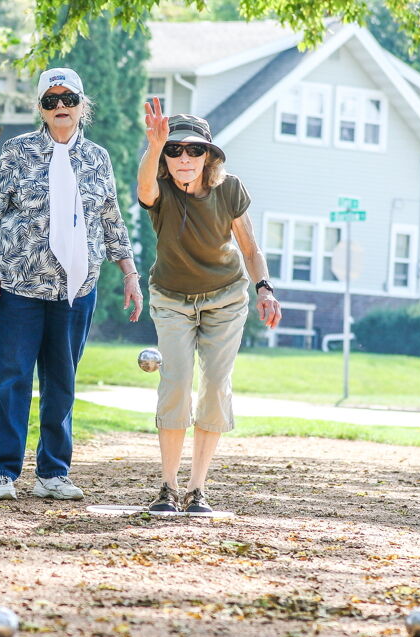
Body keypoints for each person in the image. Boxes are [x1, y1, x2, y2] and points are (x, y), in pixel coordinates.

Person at [0, 68, 141, 501]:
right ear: (41, 109)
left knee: (62, 381)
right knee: (12, 378)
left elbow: (111, 219)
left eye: (68, 99)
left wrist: (130, 276)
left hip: (76, 289)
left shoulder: (97, 158)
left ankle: (53, 473)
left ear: (83, 105)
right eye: (51, 101)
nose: (60, 107)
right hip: (17, 286)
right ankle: (3, 472)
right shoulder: (17, 151)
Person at [136, 100, 282, 514]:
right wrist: (153, 145)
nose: (184, 157)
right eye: (175, 150)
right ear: (165, 157)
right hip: (171, 297)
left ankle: (197, 488)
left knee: (216, 386)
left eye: (194, 150)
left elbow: (250, 247)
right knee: (177, 383)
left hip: (225, 298)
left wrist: (265, 289)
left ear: (209, 155)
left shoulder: (229, 188)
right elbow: (144, 189)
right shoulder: (160, 188)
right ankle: (168, 486)